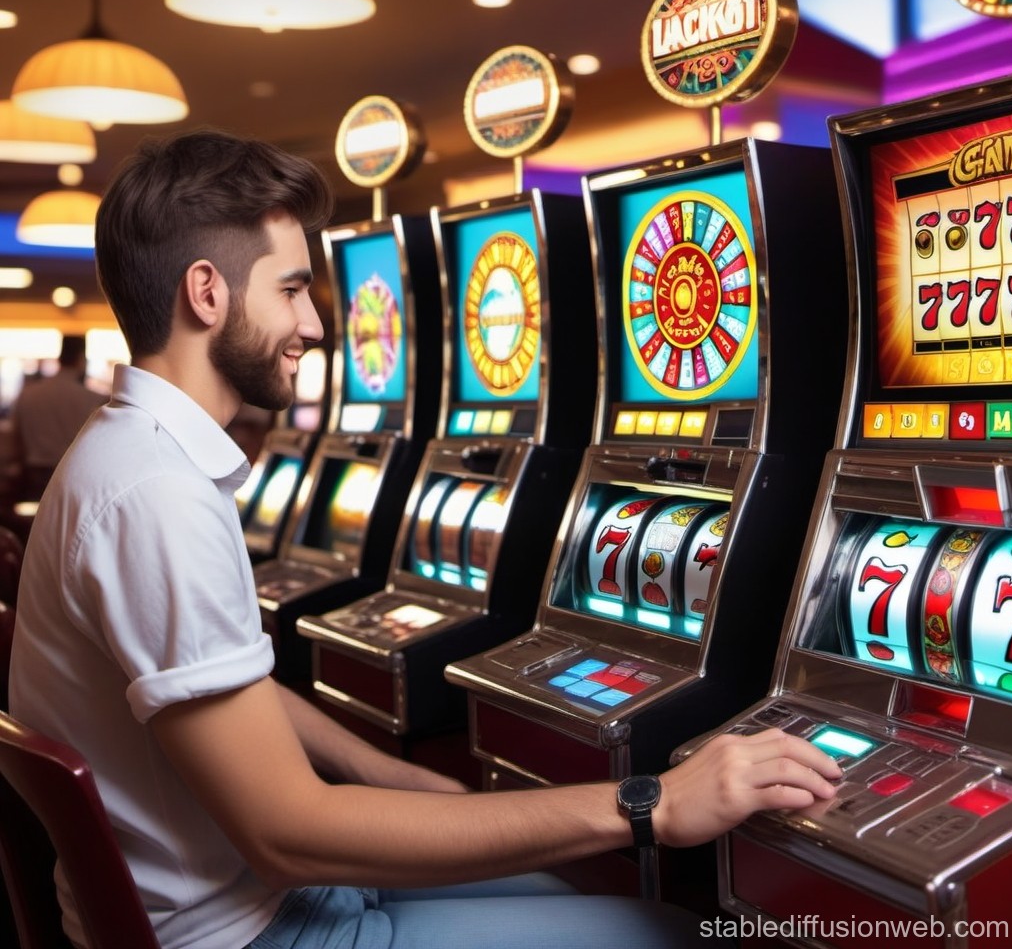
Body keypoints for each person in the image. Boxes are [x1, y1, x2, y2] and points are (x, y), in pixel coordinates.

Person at [9, 128, 841, 949]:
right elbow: (287, 833)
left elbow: (247, 703)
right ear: (207, 292)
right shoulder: (155, 497)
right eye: (293, 290)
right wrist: (652, 802)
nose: (316, 327)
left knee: (560, 881)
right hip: (249, 928)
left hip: (241, 900)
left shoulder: (130, 458)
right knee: (672, 935)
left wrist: (391, 773)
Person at [9, 333, 107, 500]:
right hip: (74, 477)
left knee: (31, 525)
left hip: (33, 477)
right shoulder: (94, 399)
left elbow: (15, 439)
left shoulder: (29, 394)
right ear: (81, 359)